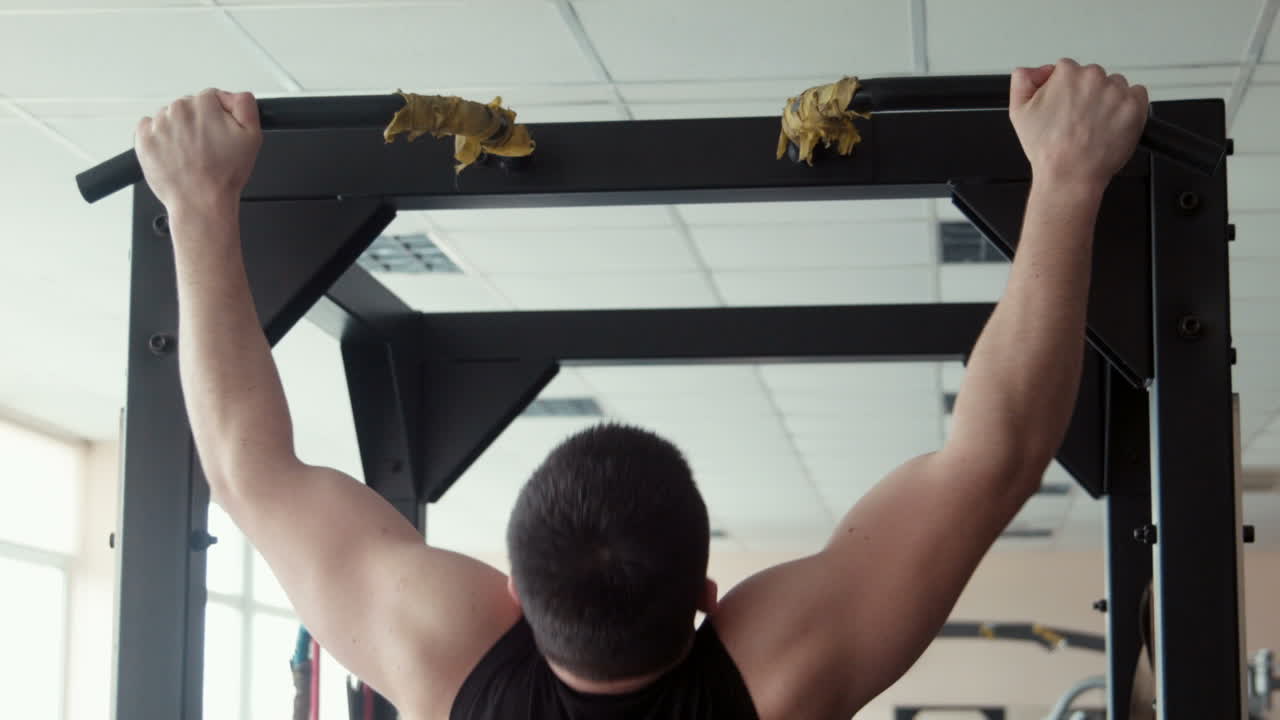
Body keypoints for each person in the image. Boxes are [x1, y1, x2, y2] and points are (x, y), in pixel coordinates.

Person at [135, 58, 1148, 720]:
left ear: (515, 596)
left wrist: (195, 202)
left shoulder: (447, 655)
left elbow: (246, 470)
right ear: (710, 599)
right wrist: (1064, 183)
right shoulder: (769, 675)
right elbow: (996, 451)